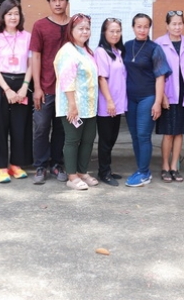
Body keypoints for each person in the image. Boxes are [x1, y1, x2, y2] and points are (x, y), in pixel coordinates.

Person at [0, 0, 34, 183]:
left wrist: (24, 86)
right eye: (9, 14)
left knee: (20, 126)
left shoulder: (27, 36)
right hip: (0, 83)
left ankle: (16, 164)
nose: (13, 17)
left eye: (16, 14)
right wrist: (7, 89)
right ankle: (1, 167)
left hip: (22, 83)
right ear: (3, 16)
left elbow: (31, 64)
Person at [123, 13, 171, 187]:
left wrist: (157, 102)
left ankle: (144, 173)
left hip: (147, 97)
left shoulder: (154, 48)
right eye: (139, 26)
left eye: (145, 27)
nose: (142, 30)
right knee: (135, 135)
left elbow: (160, 76)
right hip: (130, 98)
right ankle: (141, 169)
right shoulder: (127, 46)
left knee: (143, 135)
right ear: (133, 27)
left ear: (149, 28)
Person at [54, 14, 100, 190]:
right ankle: (72, 176)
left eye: (87, 28)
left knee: (88, 139)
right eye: (80, 28)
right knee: (72, 140)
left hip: (89, 106)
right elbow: (67, 80)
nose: (85, 32)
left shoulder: (87, 51)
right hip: (73, 105)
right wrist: (72, 105)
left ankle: (82, 172)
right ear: (71, 30)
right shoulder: (68, 51)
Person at [30, 0, 70, 184]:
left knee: (62, 129)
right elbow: (35, 57)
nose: (57, 3)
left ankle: (56, 164)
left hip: (68, 89)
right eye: (53, 0)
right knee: (41, 127)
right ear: (49, 3)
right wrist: (37, 87)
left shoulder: (74, 25)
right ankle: (40, 165)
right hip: (46, 87)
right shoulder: (40, 26)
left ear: (67, 2)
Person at [155, 10, 184, 183]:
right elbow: (157, 72)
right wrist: (162, 95)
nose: (177, 27)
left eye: (180, 23)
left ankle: (174, 166)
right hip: (169, 93)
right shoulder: (159, 44)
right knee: (168, 133)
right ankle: (165, 166)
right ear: (167, 25)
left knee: (179, 132)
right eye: (174, 24)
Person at [95, 18, 127, 186]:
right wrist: (109, 101)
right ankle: (104, 172)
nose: (115, 34)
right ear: (104, 33)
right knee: (106, 140)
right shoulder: (101, 52)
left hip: (118, 103)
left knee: (112, 138)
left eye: (118, 31)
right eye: (112, 31)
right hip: (107, 104)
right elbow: (101, 78)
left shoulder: (118, 51)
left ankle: (107, 169)